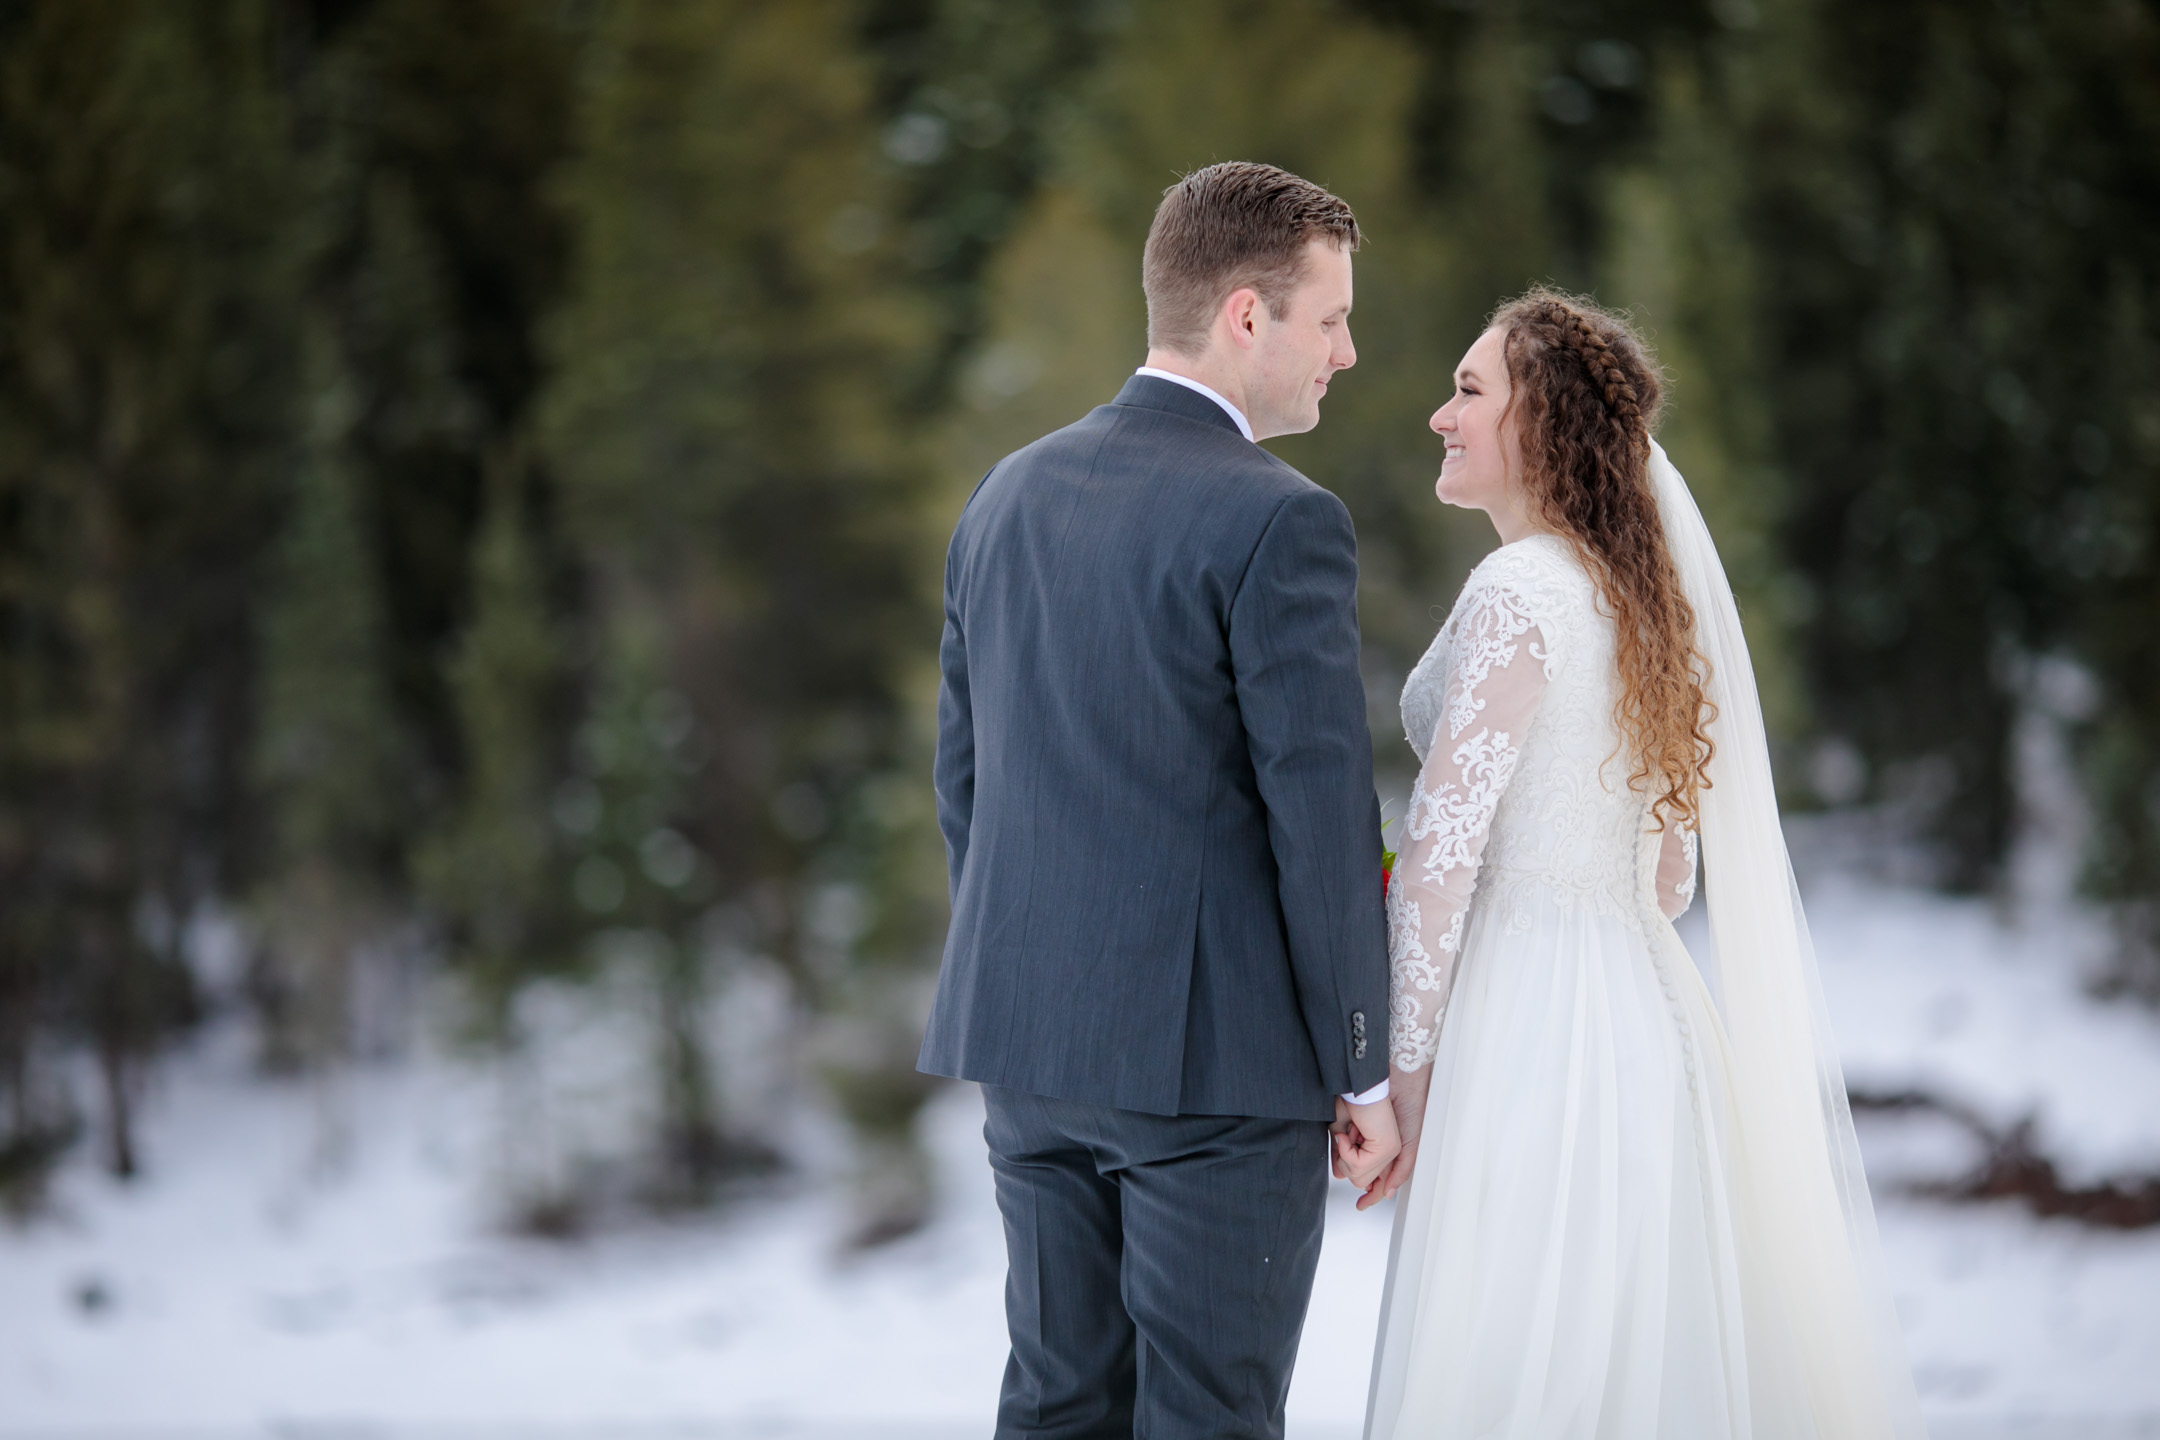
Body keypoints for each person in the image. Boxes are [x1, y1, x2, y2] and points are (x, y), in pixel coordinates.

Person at [1361, 290, 1929, 1438]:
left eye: (1469, 391)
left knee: (1520, 1367)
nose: (1439, 415)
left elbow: (1439, 858)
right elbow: (1669, 882)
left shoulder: (1520, 591)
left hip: (1526, 1030)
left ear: (1541, 423)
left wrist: (1403, 1077)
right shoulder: (1641, 603)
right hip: (1652, 1016)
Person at [920, 161, 1401, 1439]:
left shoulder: (1001, 497)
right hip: (1215, 1072)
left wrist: (1032, 973)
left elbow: (966, 784)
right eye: (1332, 318)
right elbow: (1318, 821)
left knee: (1058, 1405)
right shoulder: (1280, 521)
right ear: (1248, 315)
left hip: (1029, 1048)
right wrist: (1366, 1072)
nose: (1346, 353)